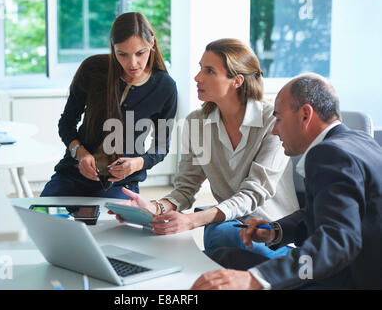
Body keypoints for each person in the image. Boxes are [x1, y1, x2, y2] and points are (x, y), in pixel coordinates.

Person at [191, 73, 382, 290]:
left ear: (305, 115)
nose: (274, 129)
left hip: (350, 280)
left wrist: (255, 279)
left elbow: (337, 244)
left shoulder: (328, 154)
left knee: (226, 264)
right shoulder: (361, 141)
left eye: (279, 118)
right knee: (225, 256)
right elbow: (331, 212)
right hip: (352, 270)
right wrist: (276, 230)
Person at [111, 38, 299, 259]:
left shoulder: (272, 121)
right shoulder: (196, 123)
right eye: (201, 68)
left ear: (237, 81)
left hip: (273, 237)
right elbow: (185, 189)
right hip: (232, 228)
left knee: (219, 235)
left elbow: (253, 193)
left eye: (209, 71)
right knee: (212, 236)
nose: (197, 77)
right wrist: (154, 208)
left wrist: (192, 221)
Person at [40, 12, 177, 199]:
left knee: (116, 227)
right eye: (122, 54)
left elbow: (161, 146)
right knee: (42, 218)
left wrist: (137, 164)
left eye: (140, 53)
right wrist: (80, 154)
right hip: (72, 175)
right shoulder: (93, 69)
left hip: (121, 183)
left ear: (151, 42)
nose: (132, 63)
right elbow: (67, 123)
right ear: (113, 48)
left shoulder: (165, 86)